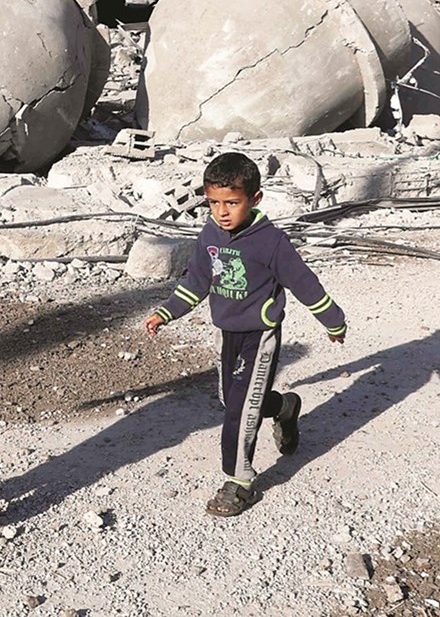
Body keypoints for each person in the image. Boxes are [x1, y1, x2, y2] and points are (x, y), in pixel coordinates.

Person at [143, 152, 346, 517]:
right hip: (227, 333)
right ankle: (283, 408)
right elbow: (197, 282)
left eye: (232, 203)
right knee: (232, 400)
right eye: (214, 203)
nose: (222, 212)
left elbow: (304, 282)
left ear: (255, 199)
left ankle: (239, 482)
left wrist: (333, 320)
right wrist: (166, 312)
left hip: (260, 335)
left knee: (240, 409)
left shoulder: (271, 242)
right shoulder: (209, 234)